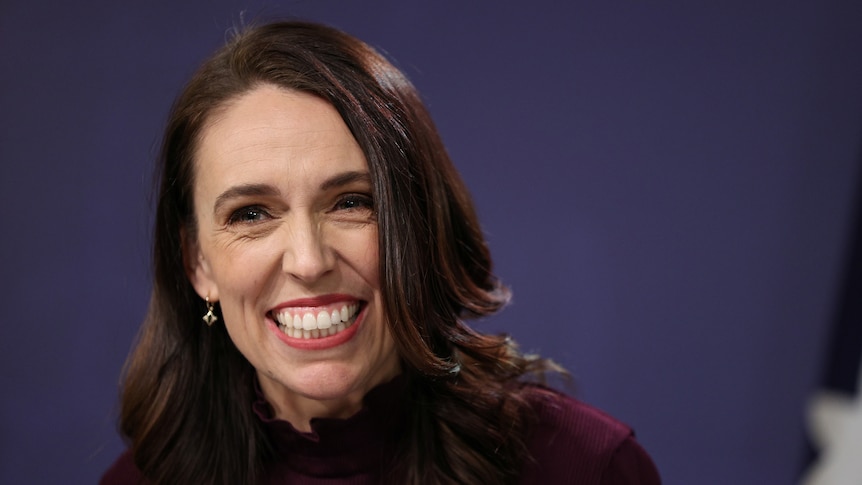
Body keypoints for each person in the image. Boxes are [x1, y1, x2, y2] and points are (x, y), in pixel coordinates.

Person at [101, 20, 660, 485]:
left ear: (418, 223)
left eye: (351, 202)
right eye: (251, 213)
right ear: (198, 263)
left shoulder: (586, 467)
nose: (308, 260)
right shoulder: (140, 481)